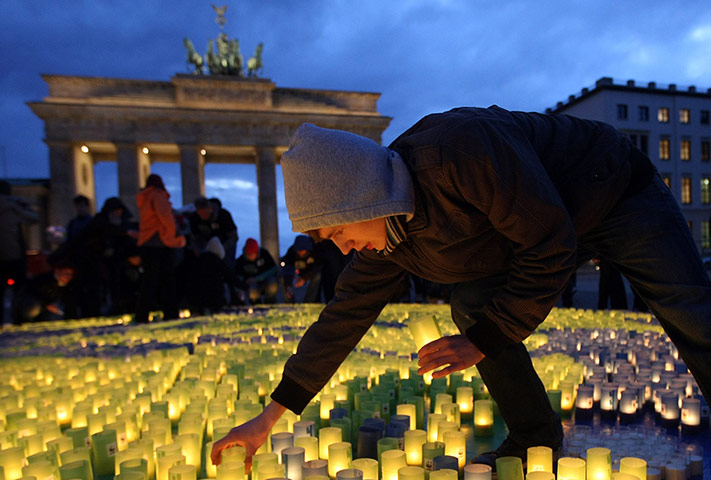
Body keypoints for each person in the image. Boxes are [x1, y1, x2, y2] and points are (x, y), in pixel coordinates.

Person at [211, 107, 711, 469]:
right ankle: (533, 437)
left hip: (612, 191)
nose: (342, 248)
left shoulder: (461, 153)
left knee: (687, 307)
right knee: (473, 304)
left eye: (338, 232)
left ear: (361, 202)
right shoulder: (385, 240)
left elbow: (548, 246)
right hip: (542, 222)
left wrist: (483, 342)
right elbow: (341, 320)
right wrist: (270, 415)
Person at [134, 174, 186, 323]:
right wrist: (175, 239)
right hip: (160, 243)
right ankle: (170, 313)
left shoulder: (144, 198)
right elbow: (166, 218)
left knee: (149, 282)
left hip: (146, 243)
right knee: (167, 281)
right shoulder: (158, 196)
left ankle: (142, 315)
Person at [0, 180, 39, 325]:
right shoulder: (12, 207)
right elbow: (34, 219)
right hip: (15, 256)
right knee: (20, 290)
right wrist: (25, 206)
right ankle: (19, 319)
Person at [12, 259, 76, 323]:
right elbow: (32, 295)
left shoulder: (65, 285)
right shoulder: (43, 281)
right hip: (31, 305)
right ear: (57, 271)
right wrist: (46, 306)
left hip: (45, 307)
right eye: (66, 273)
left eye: (71, 274)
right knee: (34, 309)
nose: (69, 277)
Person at [189, 196, 238, 269]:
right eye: (200, 213)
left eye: (204, 212)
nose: (202, 215)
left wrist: (221, 248)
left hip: (225, 246)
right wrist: (197, 248)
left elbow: (233, 237)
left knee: (227, 267)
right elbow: (194, 237)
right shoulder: (195, 218)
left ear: (210, 209)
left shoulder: (223, 215)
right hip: (205, 247)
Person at [234, 238, 279, 305]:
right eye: (249, 255)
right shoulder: (241, 261)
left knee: (272, 284)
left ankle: (270, 303)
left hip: (266, 282)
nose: (251, 257)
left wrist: (258, 278)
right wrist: (239, 290)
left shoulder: (264, 254)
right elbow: (237, 278)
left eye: (253, 254)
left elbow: (274, 269)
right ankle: (256, 304)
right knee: (252, 291)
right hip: (252, 286)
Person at [280, 235, 322, 303]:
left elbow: (317, 267)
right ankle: (290, 302)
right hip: (295, 274)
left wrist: (304, 278)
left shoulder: (314, 252)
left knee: (318, 277)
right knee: (283, 278)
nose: (300, 252)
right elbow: (287, 267)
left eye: (302, 250)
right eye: (298, 250)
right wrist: (288, 285)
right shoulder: (292, 252)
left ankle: (309, 302)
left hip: (309, 274)